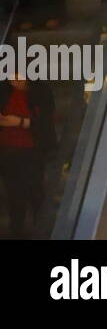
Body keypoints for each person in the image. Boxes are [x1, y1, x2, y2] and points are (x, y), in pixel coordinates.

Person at [0, 75, 56, 238]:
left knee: (34, 192)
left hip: (32, 151)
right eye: (10, 78)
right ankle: (17, 231)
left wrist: (19, 122)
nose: (14, 81)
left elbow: (46, 123)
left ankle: (43, 231)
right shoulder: (4, 90)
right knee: (14, 196)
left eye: (18, 77)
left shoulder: (41, 91)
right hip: (8, 152)